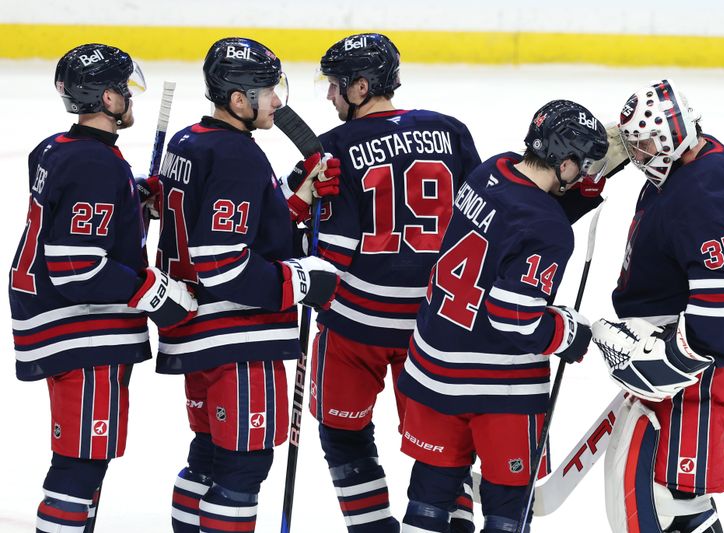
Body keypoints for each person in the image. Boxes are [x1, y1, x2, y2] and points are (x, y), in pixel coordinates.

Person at [395, 99, 609, 533]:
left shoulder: (490, 170)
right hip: (499, 388)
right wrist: (569, 332)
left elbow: (514, 224)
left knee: (431, 496)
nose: (584, 173)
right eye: (581, 165)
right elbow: (516, 318)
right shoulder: (549, 229)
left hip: (432, 365)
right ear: (564, 163)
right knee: (507, 509)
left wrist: (584, 195)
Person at [8, 43, 197, 533]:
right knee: (81, 463)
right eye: (124, 91)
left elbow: (70, 213)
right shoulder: (97, 164)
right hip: (82, 331)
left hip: (59, 325)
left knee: (85, 461)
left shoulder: (56, 149)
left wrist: (130, 200)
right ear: (108, 99)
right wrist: (157, 295)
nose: (131, 100)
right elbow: (76, 265)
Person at [153, 37, 338, 533]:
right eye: (267, 90)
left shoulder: (190, 141)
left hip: (196, 333)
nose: (278, 100)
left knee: (209, 456)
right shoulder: (236, 154)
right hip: (235, 337)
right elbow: (223, 262)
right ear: (238, 101)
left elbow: (244, 226)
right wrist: (300, 279)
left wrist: (298, 195)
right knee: (243, 466)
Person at [591, 79, 724, 533]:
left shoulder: (702, 192)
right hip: (692, 348)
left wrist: (682, 354)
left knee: (671, 497)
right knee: (675, 494)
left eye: (640, 145)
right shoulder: (701, 156)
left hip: (710, 365)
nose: (635, 154)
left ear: (668, 140)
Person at [306, 33, 482, 533]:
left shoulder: (334, 147)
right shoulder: (449, 131)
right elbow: (481, 219)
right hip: (436, 321)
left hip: (357, 323)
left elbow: (329, 250)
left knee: (342, 431)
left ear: (361, 87)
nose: (329, 96)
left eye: (336, 86)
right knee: (445, 440)